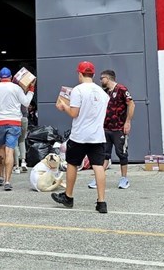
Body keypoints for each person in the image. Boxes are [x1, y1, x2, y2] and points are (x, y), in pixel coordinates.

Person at [52, 61, 109, 213]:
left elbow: (74, 113)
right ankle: (101, 202)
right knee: (98, 166)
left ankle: (68, 196)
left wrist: (64, 107)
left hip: (80, 135)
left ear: (79, 74)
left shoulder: (78, 90)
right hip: (97, 135)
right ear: (94, 74)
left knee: (72, 163)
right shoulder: (103, 94)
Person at [89, 69, 135, 190]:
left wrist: (127, 122)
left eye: (101, 78)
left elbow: (131, 104)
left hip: (119, 128)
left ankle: (124, 179)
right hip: (105, 129)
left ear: (108, 78)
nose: (100, 80)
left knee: (122, 153)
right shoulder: (105, 92)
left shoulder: (121, 89)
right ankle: (99, 178)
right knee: (104, 154)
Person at [0, 67, 34, 190]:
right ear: (11, 77)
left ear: (0, 78)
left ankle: (0, 175)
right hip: (14, 121)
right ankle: (7, 181)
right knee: (10, 150)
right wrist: (31, 89)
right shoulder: (16, 88)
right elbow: (26, 102)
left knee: (1, 148)